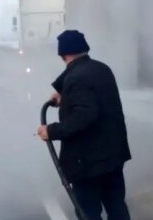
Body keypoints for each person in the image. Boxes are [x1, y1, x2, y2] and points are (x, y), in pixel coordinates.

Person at [36, 30, 132, 220]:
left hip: (88, 164)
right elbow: (90, 92)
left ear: (62, 54)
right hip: (112, 158)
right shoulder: (102, 69)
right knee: (116, 207)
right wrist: (63, 91)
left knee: (88, 212)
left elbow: (84, 116)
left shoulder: (77, 79)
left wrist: (51, 131)